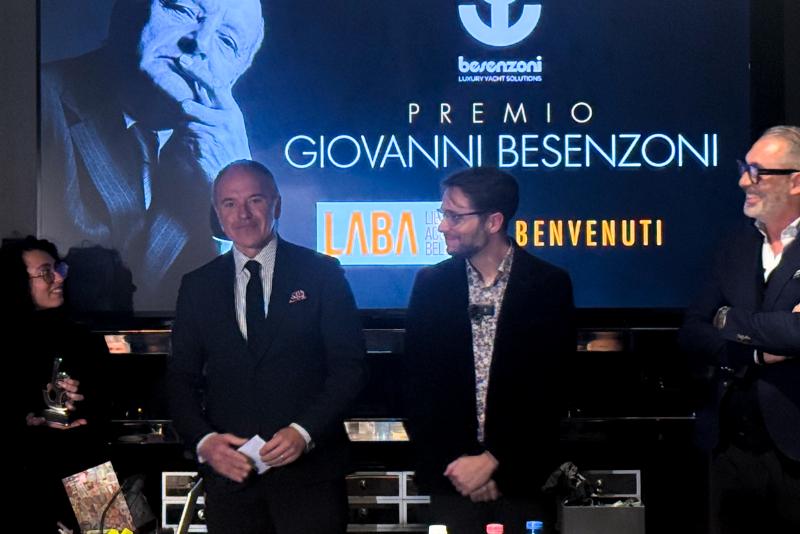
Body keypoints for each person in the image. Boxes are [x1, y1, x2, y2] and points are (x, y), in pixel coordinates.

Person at [168, 160, 366, 534]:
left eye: (255, 200)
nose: (242, 214)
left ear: (276, 205)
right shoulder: (198, 286)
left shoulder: (321, 272)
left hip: (310, 478)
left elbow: (349, 368)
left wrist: (304, 432)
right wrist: (205, 441)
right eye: (229, 203)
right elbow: (180, 379)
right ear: (217, 212)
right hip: (231, 480)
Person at [40, 0, 266, 309]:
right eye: (182, 10)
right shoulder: (35, 101)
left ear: (237, 73)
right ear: (125, 10)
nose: (200, 44)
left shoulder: (224, 160)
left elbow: (257, 314)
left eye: (227, 41)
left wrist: (232, 188)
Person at [402, 167, 575, 534]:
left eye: (455, 216)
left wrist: (495, 461)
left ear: (493, 221)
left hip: (522, 481)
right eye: (443, 214)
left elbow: (552, 389)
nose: (443, 226)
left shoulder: (548, 285)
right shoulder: (432, 285)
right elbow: (417, 388)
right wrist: (464, 466)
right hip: (452, 479)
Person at [679, 125, 800, 534]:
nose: (744, 182)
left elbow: (797, 334)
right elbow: (693, 331)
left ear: (796, 181)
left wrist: (728, 319)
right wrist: (758, 350)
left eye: (757, 172)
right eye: (743, 168)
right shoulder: (734, 246)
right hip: (729, 449)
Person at [2, 236, 109, 532]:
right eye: (46, 273)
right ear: (17, 283)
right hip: (28, 483)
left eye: (58, 269)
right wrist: (33, 421)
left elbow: (108, 407)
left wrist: (84, 402)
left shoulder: (83, 339)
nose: (59, 278)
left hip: (89, 473)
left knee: (112, 530)